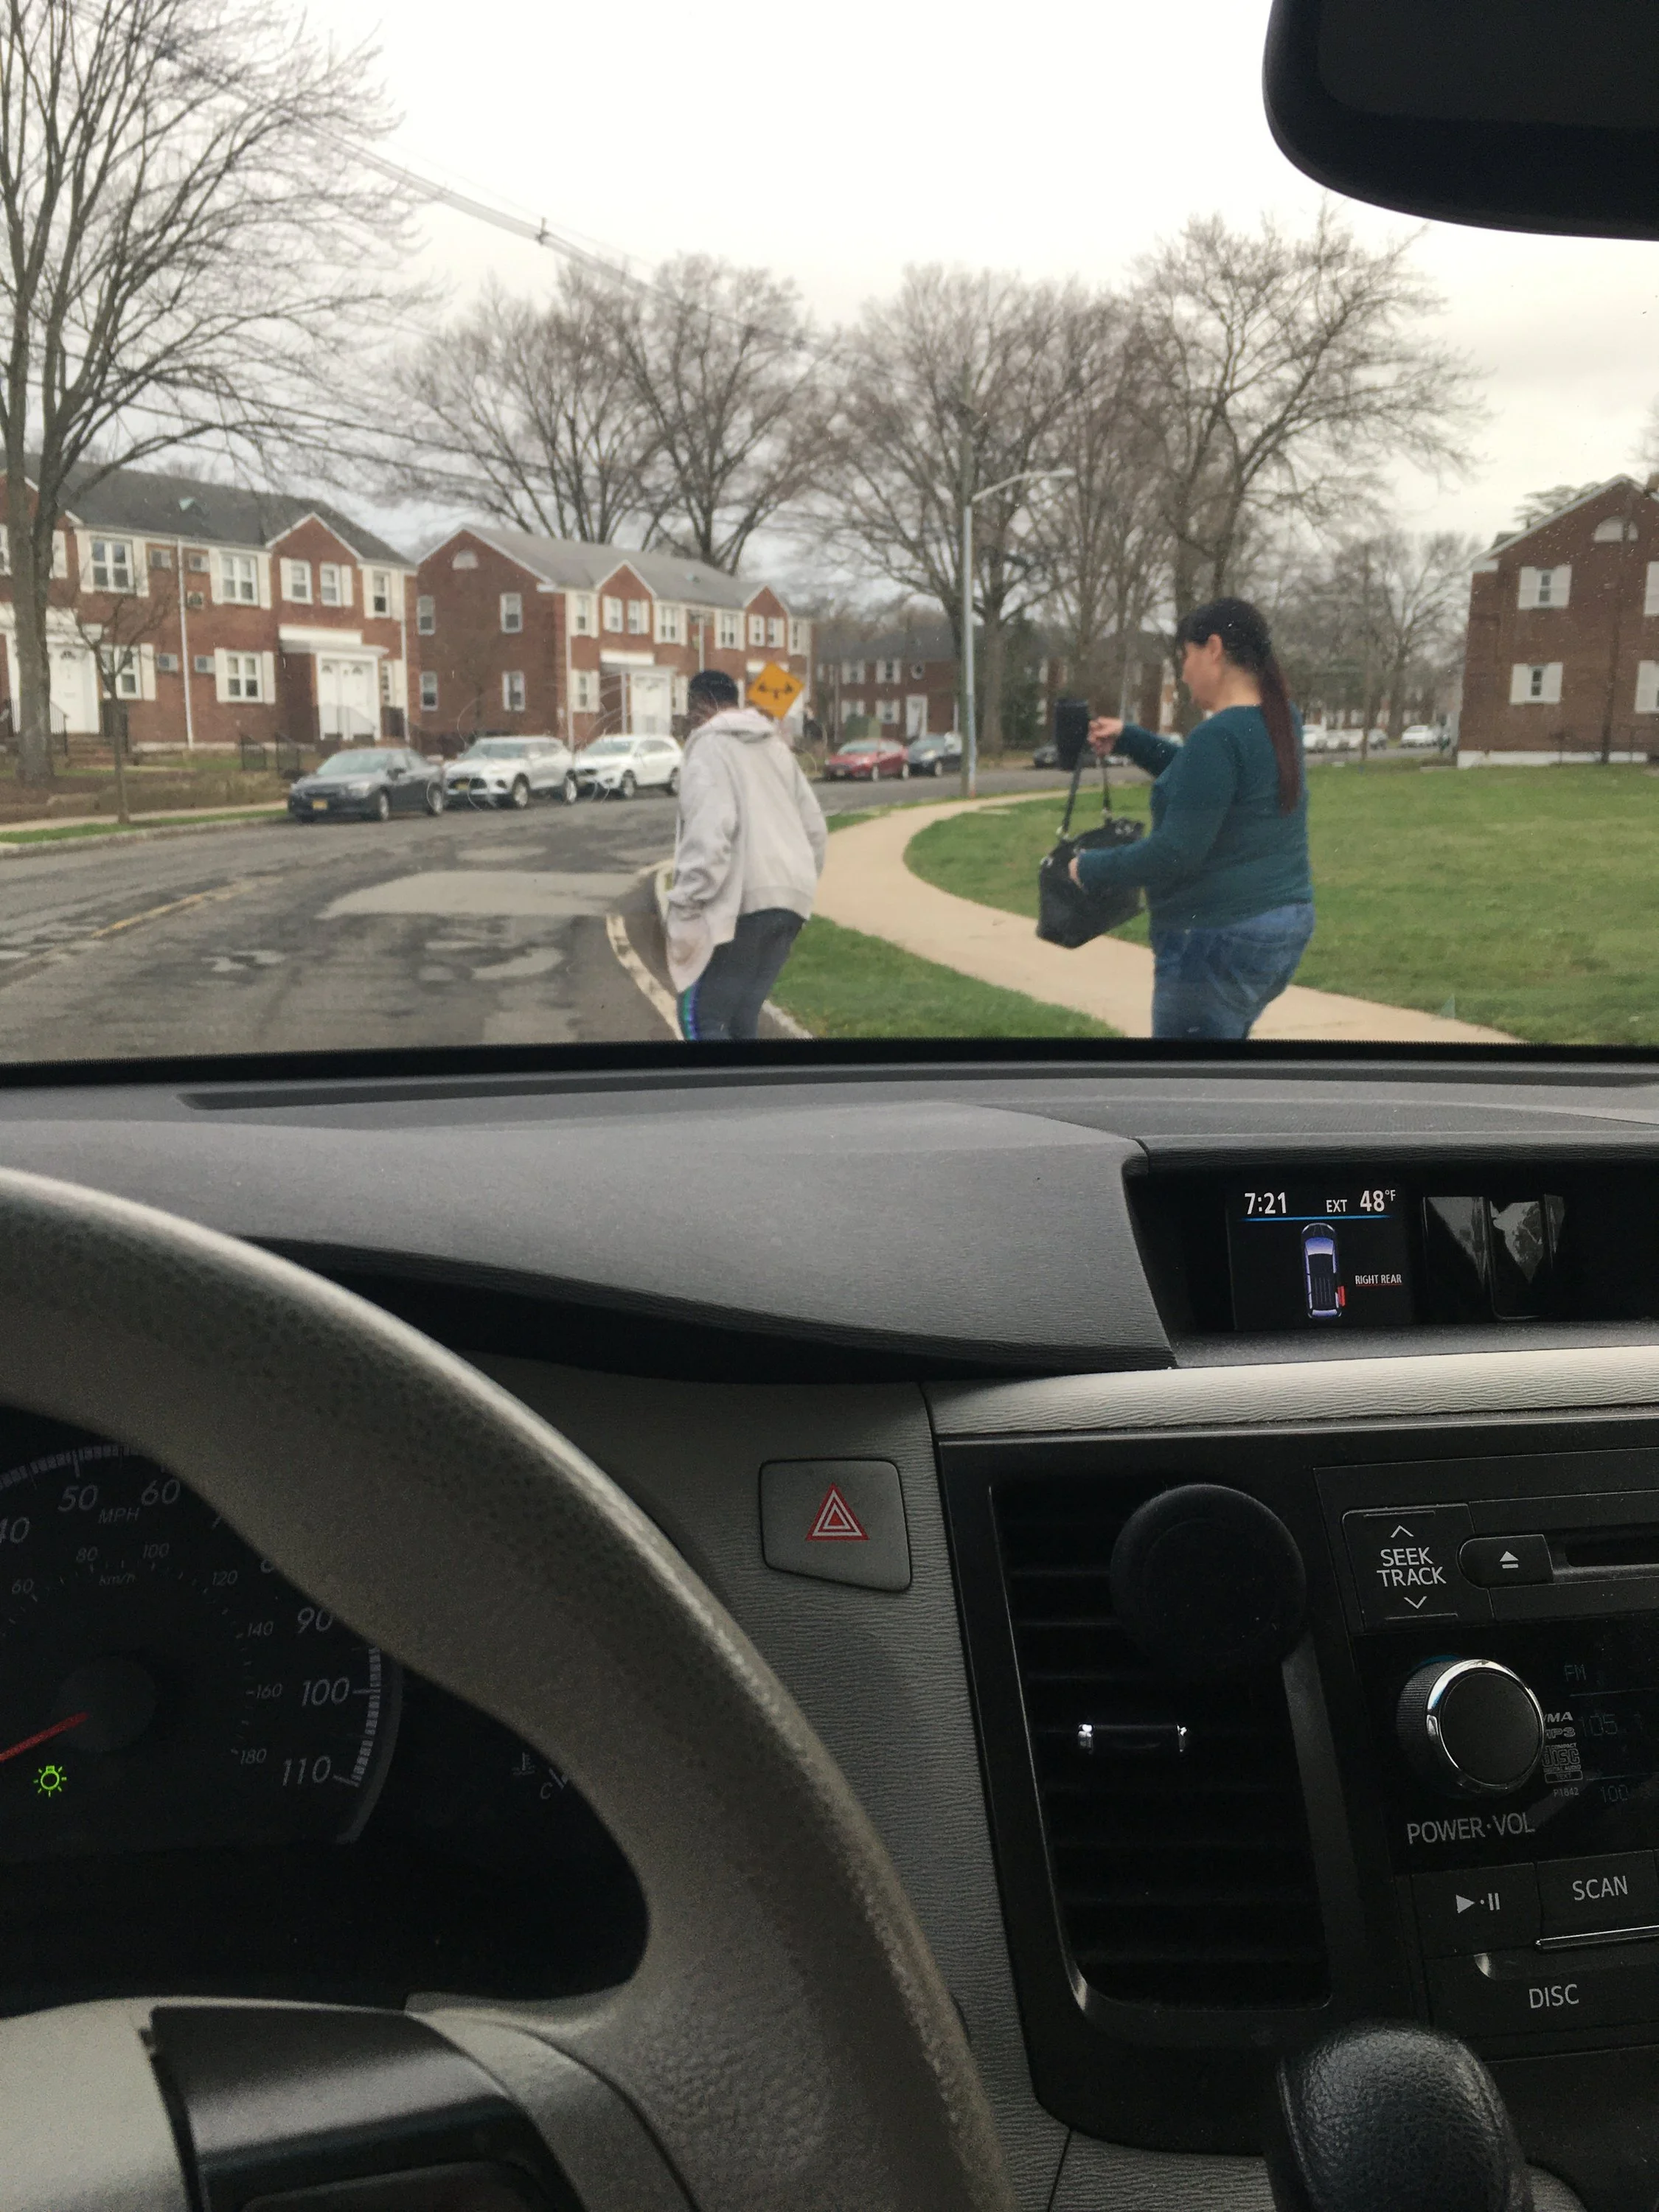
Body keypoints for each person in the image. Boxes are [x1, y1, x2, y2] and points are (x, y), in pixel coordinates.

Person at [1069, 597, 1314, 1040]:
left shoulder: (1218, 736)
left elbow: (1175, 853)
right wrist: (1130, 738)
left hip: (1214, 940)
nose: (1183, 673)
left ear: (1213, 649)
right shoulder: (1279, 720)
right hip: (1281, 926)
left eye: (1186, 656)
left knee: (1186, 1078)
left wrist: (1088, 868)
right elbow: (1203, 783)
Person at [665, 668, 828, 1041]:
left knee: (701, 1020)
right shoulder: (776, 747)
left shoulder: (709, 746)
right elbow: (816, 831)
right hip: (792, 902)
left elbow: (709, 833)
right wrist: (797, 883)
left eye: (691, 711)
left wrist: (686, 905)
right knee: (741, 1019)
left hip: (743, 906)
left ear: (699, 705)